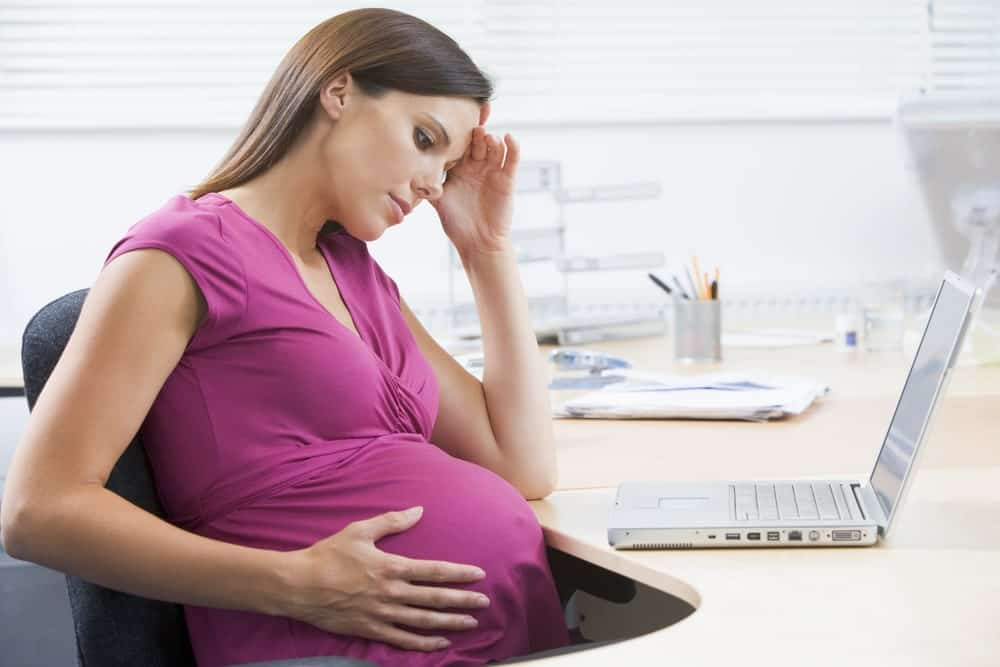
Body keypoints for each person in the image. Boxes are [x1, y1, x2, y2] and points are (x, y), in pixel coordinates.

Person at [1, 8, 573, 667]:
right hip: (320, 645)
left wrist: (486, 249)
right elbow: (36, 509)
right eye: (423, 139)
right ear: (338, 92)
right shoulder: (182, 252)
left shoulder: (355, 273)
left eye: (445, 167)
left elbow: (522, 463)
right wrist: (300, 584)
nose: (432, 183)